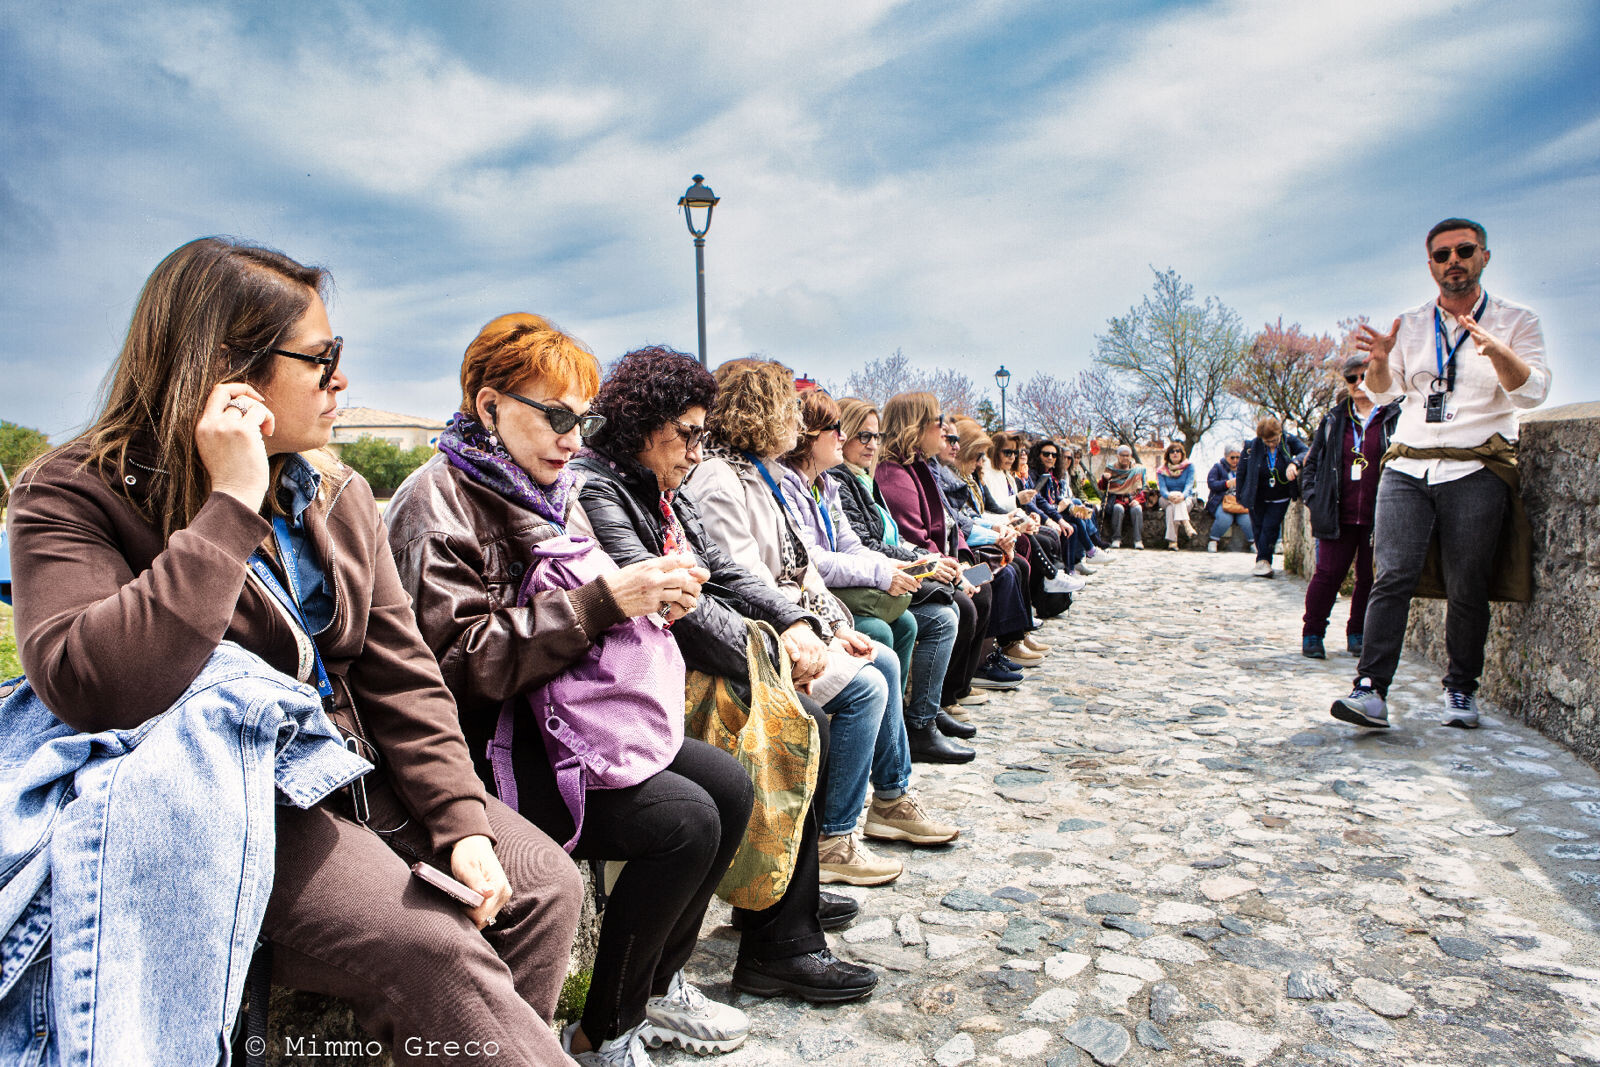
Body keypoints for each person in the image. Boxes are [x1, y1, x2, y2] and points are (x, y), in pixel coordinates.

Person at [6, 238, 585, 1065]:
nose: (341, 378)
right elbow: (89, 682)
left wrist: (460, 820)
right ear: (226, 369)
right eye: (323, 358)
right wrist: (230, 502)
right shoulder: (73, 491)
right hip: (233, 800)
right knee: (429, 946)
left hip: (359, 776)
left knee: (543, 886)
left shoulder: (336, 492)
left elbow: (403, 675)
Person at [386, 316, 755, 1065]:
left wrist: (653, 594)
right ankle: (602, 1031)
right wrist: (605, 602)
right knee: (685, 821)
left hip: (563, 721)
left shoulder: (547, 487)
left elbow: (585, 598)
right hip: (491, 748)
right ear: (489, 406)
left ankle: (654, 989)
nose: (572, 437)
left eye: (580, 418)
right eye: (554, 415)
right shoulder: (436, 504)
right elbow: (458, 667)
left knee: (731, 785)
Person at [567, 345, 877, 1005]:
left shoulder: (653, 482)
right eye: (686, 433)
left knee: (804, 716)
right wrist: (765, 651)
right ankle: (781, 940)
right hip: (629, 690)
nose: (695, 449)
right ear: (641, 423)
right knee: (799, 718)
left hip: (671, 665)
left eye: (702, 434)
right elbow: (674, 606)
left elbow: (724, 572)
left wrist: (799, 622)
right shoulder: (599, 486)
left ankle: (784, 913)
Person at [682, 359, 959, 888]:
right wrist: (815, 629)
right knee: (867, 687)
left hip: (792, 620)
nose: (798, 420)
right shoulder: (721, 479)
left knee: (879, 658)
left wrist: (834, 625)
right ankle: (833, 835)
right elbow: (746, 579)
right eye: (789, 407)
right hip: (758, 634)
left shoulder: (760, 474)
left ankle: (890, 799)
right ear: (763, 412)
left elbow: (802, 566)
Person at [1331, 218, 1550, 731]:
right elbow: (1385, 393)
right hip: (1409, 464)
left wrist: (1500, 353)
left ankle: (1460, 690)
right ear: (1431, 265)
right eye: (1442, 254)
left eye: (1464, 251)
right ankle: (1371, 690)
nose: (1454, 261)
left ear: (1484, 257)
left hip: (1476, 465)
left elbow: (1533, 393)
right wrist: (1380, 363)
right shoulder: (1409, 323)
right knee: (1391, 575)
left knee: (1467, 582)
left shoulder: (1518, 321)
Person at [780, 390, 972, 763]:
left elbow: (858, 545)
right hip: (818, 595)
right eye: (856, 434)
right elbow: (814, 559)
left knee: (926, 619)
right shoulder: (801, 483)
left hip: (848, 584)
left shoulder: (827, 484)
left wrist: (905, 566)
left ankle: (906, 729)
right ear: (810, 435)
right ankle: (893, 744)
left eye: (875, 436)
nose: (868, 443)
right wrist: (896, 568)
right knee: (890, 632)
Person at [836, 397, 993, 716]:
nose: (871, 445)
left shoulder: (866, 476)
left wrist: (940, 560)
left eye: (875, 437)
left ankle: (931, 710)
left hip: (893, 569)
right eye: (863, 436)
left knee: (981, 585)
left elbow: (943, 525)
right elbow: (869, 544)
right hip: (878, 577)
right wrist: (926, 563)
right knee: (945, 612)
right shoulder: (874, 476)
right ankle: (925, 714)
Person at [874, 395, 1018, 693]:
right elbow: (916, 537)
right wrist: (956, 570)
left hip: (946, 561)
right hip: (922, 567)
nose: (943, 430)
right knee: (966, 601)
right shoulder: (894, 474)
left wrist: (964, 561)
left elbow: (953, 524)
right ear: (916, 425)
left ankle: (970, 674)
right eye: (937, 422)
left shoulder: (920, 467)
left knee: (989, 579)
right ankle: (951, 693)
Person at [1298, 355, 1402, 659]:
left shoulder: (1393, 417)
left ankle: (1358, 633)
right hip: (1337, 513)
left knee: (1370, 578)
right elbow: (1312, 463)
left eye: (1365, 376)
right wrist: (1314, 499)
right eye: (1352, 378)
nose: (1359, 383)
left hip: (1379, 512)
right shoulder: (1333, 420)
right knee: (1328, 574)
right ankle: (1313, 633)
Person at [1236, 417, 1308, 578]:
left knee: (1270, 526)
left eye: (1274, 440)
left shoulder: (1289, 441)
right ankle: (1263, 562)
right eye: (1267, 441)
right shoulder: (1251, 447)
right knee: (1259, 528)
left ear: (1279, 433)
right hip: (1258, 496)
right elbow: (1241, 472)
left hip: (1280, 496)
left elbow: (1306, 451)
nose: (1271, 444)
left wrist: (1294, 463)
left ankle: (1263, 560)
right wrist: (1241, 496)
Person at [1203, 446, 1254, 552]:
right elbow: (1212, 483)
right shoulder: (1218, 468)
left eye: (1238, 457)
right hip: (1222, 501)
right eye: (1232, 457)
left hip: (1240, 502)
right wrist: (1226, 484)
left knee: (1247, 520)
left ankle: (1253, 542)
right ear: (1226, 457)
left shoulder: (1245, 469)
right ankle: (1213, 540)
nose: (1235, 460)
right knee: (1224, 518)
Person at [1099, 445, 1147, 549]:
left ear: (1130, 456)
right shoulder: (1111, 468)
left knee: (1137, 509)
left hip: (1133, 498)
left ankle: (1138, 540)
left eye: (1127, 455)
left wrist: (1138, 500)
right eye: (1122, 455)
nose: (1125, 458)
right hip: (1117, 499)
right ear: (1118, 456)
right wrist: (1105, 478)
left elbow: (1142, 488)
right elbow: (1103, 487)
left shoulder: (1137, 470)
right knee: (1118, 509)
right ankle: (1116, 539)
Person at [1155, 443, 1198, 550]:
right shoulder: (1162, 470)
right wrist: (1169, 496)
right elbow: (1162, 488)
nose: (1175, 453)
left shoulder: (1189, 467)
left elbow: (1189, 485)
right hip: (1166, 499)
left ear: (1182, 453)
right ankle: (1187, 525)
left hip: (1185, 499)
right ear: (1168, 455)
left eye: (1178, 451)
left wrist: (1182, 496)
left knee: (1171, 510)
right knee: (1172, 500)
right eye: (1172, 451)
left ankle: (1172, 542)